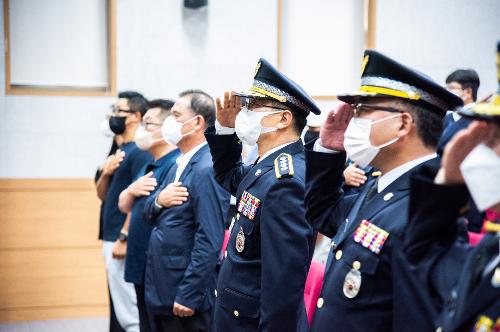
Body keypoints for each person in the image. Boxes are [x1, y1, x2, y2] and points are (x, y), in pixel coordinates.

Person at [305, 50, 463, 331]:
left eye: (364, 110)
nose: (354, 120)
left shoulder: (426, 212)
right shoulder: (381, 186)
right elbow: (323, 213)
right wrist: (329, 150)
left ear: (403, 123)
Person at [205, 58, 321, 331]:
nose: (245, 112)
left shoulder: (287, 179)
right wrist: (225, 129)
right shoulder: (266, 164)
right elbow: (229, 177)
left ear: (283, 118)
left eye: (254, 106)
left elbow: (283, 283)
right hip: (236, 314)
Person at [394, 42, 500, 332]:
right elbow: (423, 258)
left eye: (493, 140)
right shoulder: (492, 251)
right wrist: (448, 180)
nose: (483, 153)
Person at [142, 90, 230, 332]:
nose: (170, 122)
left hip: (185, 292)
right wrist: (159, 199)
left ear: (198, 122)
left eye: (176, 115)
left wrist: (189, 294)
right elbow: (148, 211)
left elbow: (210, 238)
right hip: (161, 286)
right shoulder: (178, 163)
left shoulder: (207, 167)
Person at [117, 99, 180, 332]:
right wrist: (129, 190)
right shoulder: (149, 165)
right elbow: (124, 205)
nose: (142, 129)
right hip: (139, 262)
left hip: (158, 267)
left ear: (167, 128)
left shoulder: (174, 164)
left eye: (148, 123)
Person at [96, 91, 152, 332]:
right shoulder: (121, 150)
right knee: (120, 310)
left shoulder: (140, 151)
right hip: (110, 237)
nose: (114, 116)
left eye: (119, 111)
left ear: (135, 116)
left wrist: (124, 237)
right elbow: (102, 195)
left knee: (131, 315)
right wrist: (106, 173)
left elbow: (140, 197)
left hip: (122, 240)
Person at [438, 68, 480, 155]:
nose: (446, 91)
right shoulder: (446, 117)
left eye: (451, 88)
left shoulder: (479, 119)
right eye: (446, 87)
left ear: (468, 92)